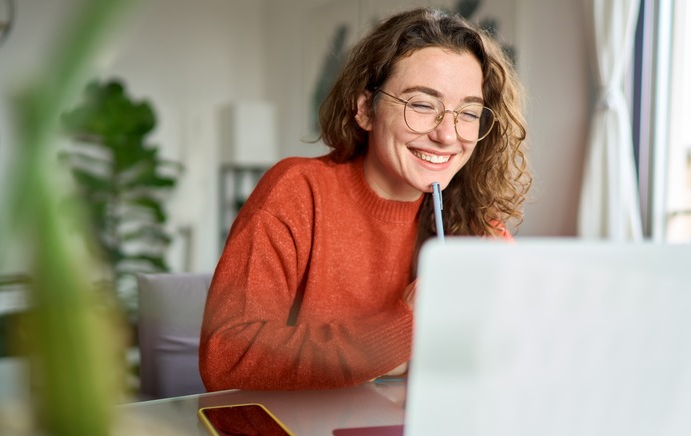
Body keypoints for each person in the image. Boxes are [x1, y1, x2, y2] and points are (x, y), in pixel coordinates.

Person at [199, 7, 531, 391]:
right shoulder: (297, 191)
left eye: (468, 113)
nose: (447, 135)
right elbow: (226, 358)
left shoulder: (474, 222)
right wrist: (402, 328)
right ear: (364, 110)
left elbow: (513, 355)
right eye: (422, 105)